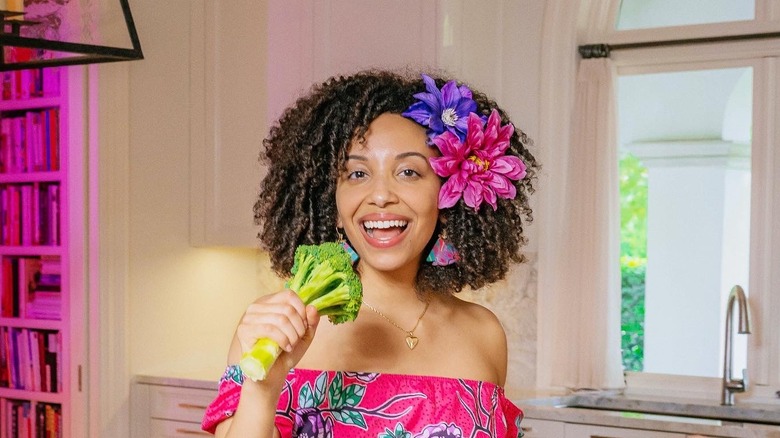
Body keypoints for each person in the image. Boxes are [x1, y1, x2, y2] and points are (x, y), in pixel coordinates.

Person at [201, 69, 538, 437]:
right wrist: (262, 389)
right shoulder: (277, 328)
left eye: (409, 172)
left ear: (447, 196)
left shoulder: (484, 334)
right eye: (357, 174)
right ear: (333, 203)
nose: (380, 195)